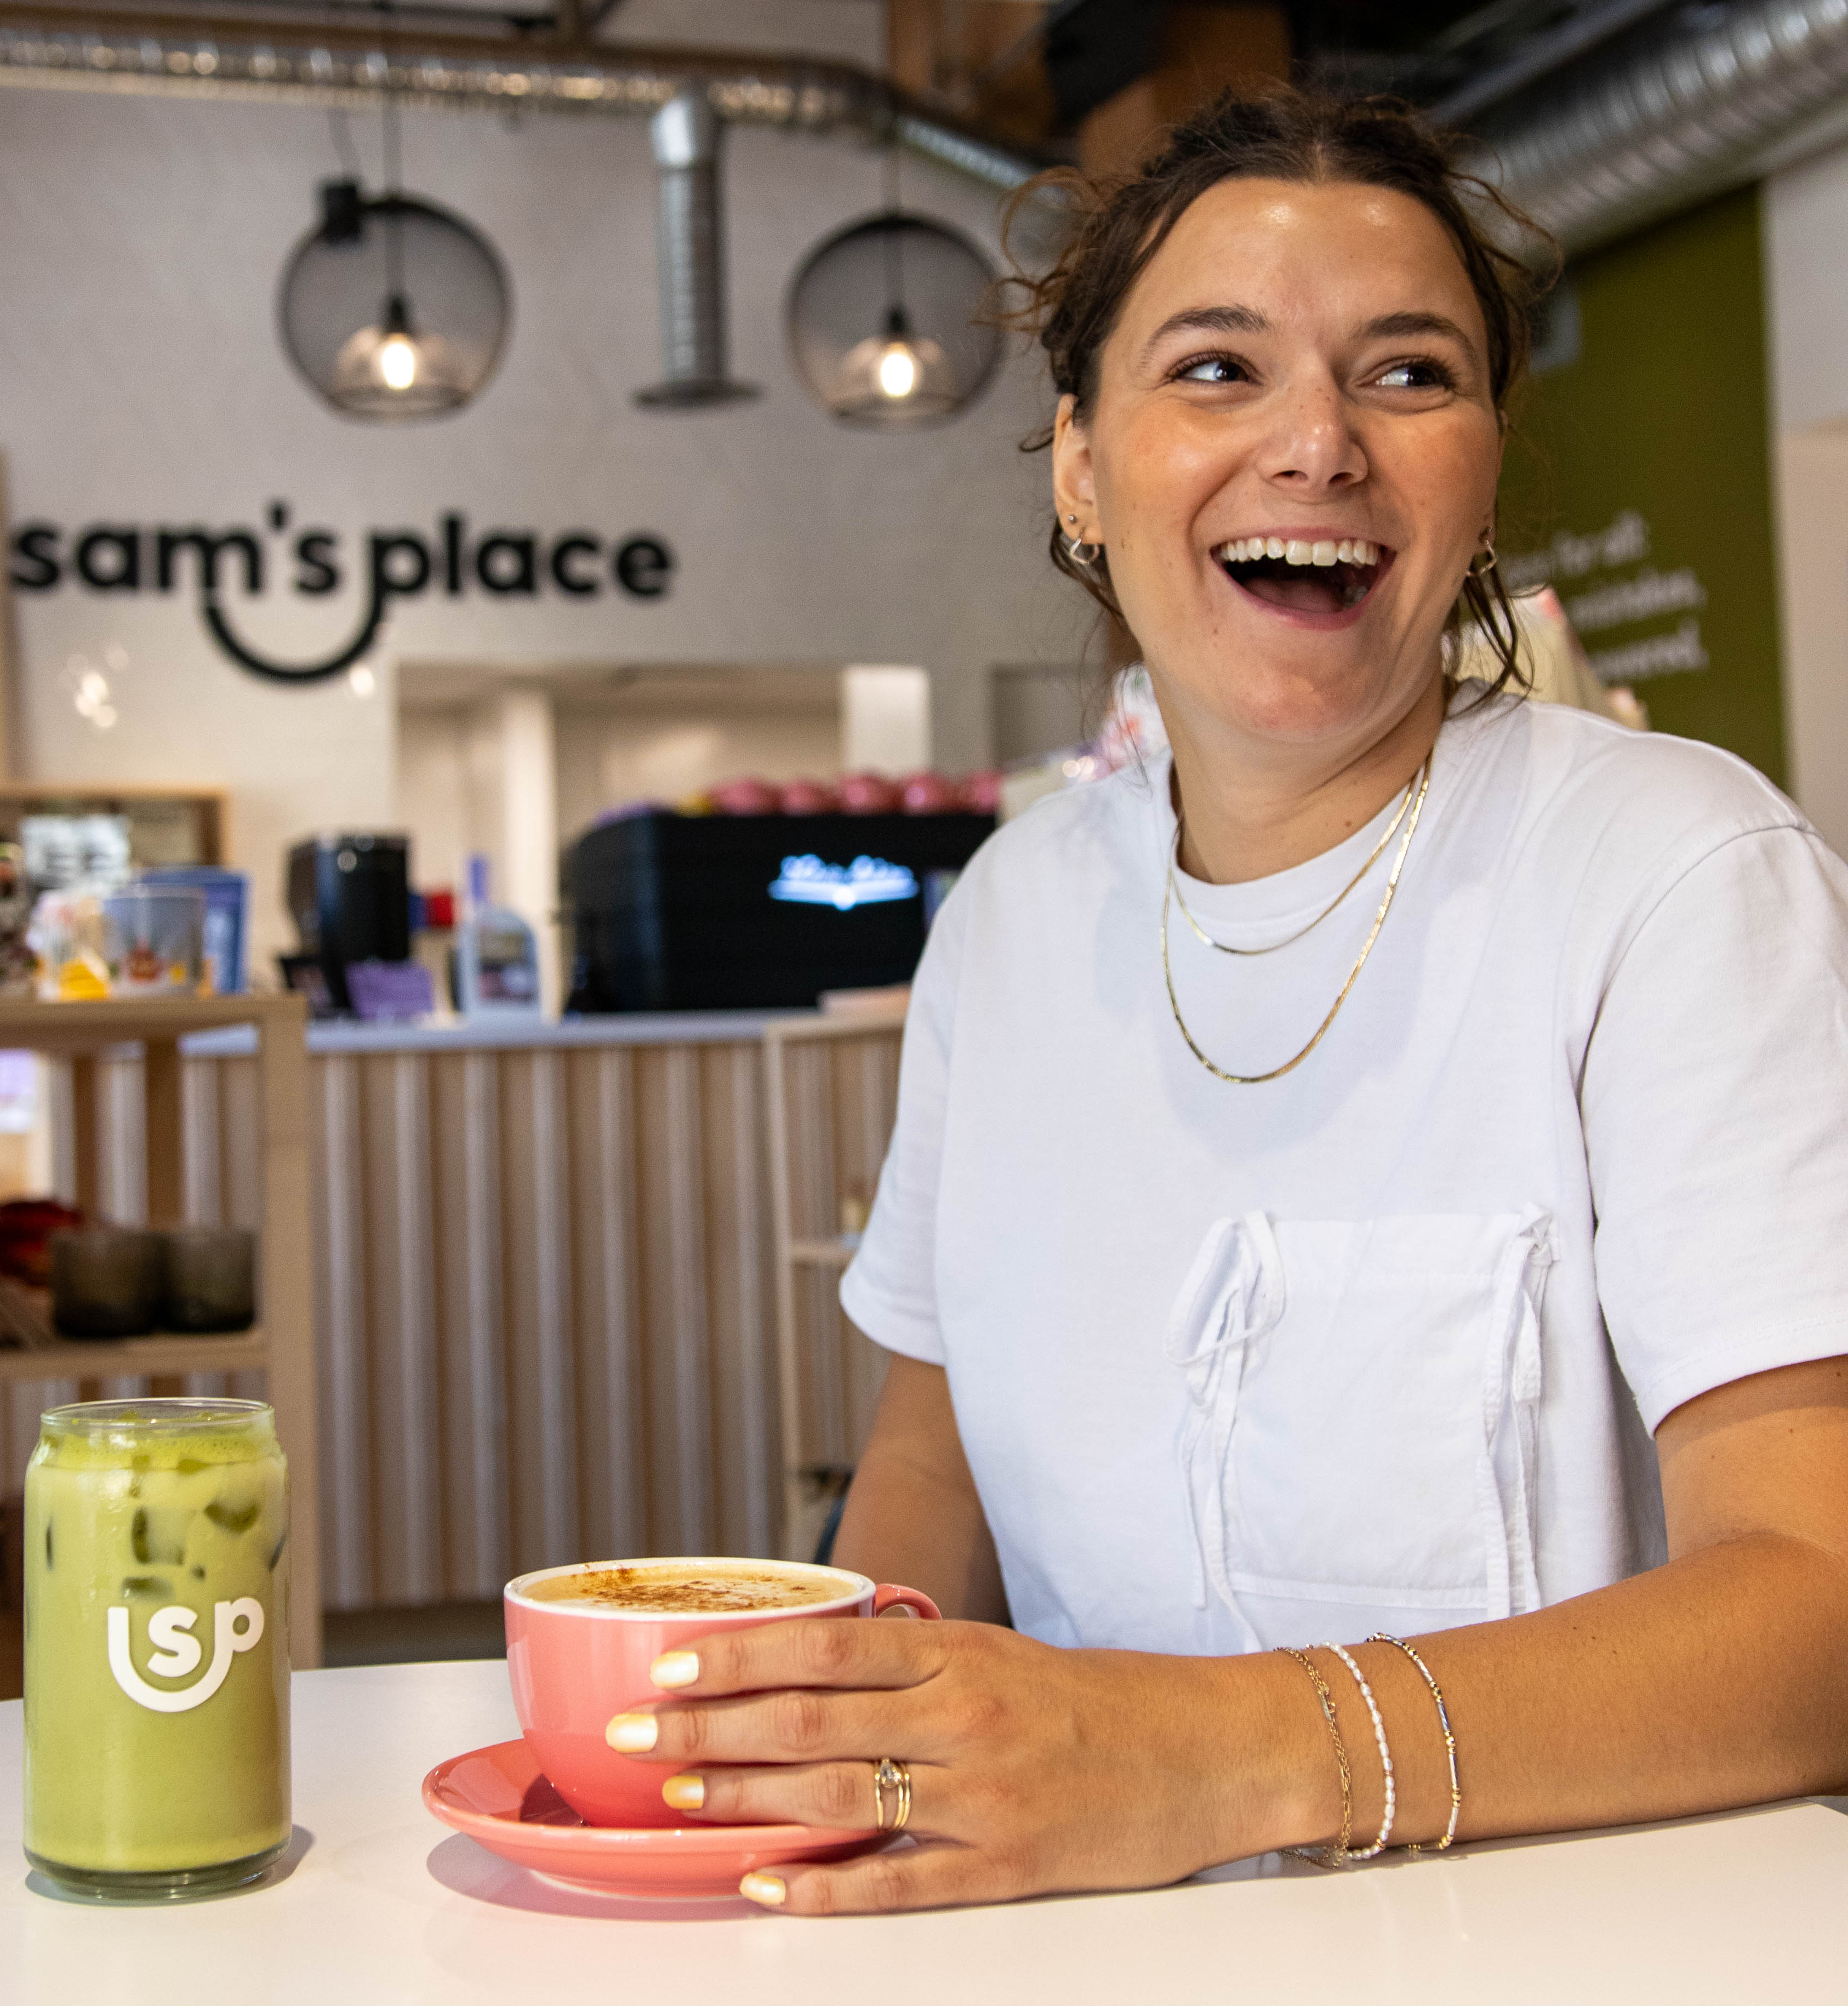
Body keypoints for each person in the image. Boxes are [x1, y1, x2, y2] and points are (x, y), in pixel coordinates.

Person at [601, 87, 1848, 1911]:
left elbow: (1816, 1602)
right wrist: (828, 1794)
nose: (1321, 443)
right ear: (1080, 467)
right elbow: (923, 1478)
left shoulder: (1674, 870)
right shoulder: (1014, 915)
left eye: (1410, 373)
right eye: (1215, 369)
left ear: (1487, 463)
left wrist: (1206, 1755)